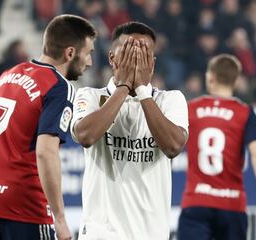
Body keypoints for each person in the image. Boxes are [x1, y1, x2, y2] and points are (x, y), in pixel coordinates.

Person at [0, 14, 96, 240]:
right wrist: (60, 219)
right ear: (70, 53)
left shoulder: (8, 75)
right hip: (23, 206)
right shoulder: (59, 87)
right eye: (88, 53)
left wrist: (3, 161)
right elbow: (45, 151)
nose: (89, 62)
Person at [70, 21, 189, 240]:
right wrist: (124, 86)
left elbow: (173, 146)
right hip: (101, 234)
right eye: (127, 53)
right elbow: (86, 136)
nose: (135, 60)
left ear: (152, 64)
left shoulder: (170, 100)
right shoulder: (89, 96)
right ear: (112, 59)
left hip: (151, 234)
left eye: (143, 55)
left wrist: (142, 90)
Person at [178, 54, 256, 240]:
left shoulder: (190, 109)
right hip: (231, 204)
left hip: (196, 201)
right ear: (236, 80)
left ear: (210, 77)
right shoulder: (246, 113)